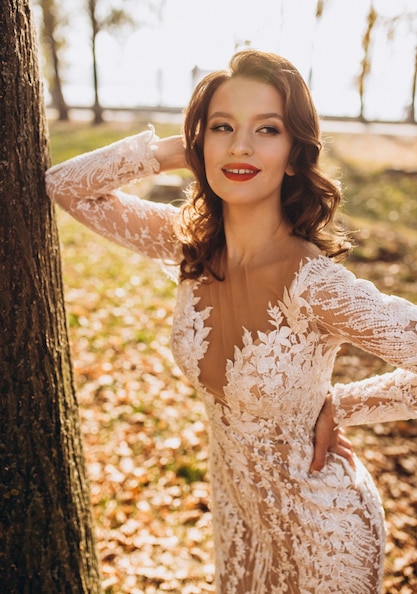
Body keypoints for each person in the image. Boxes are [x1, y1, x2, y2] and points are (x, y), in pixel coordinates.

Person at [45, 49, 417, 594]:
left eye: (267, 129)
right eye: (223, 127)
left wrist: (343, 405)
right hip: (237, 521)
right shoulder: (189, 247)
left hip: (326, 532)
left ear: (294, 156)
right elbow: (66, 186)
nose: (240, 146)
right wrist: (177, 150)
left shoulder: (314, 285)